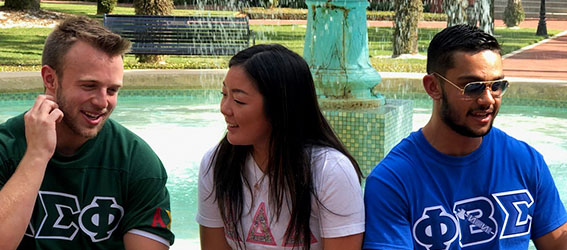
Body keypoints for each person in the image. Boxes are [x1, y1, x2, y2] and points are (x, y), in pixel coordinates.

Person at [362, 24, 567, 249]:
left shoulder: (525, 162)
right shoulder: (392, 182)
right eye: (472, 87)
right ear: (433, 87)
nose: (488, 100)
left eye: (496, 86)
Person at [0, 16, 174, 249]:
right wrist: (37, 155)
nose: (103, 102)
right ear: (50, 79)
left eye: (112, 90)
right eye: (89, 86)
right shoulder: (6, 148)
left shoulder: (136, 162)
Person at [196, 44, 365, 250]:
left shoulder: (330, 171)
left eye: (239, 100)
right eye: (224, 94)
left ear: (280, 107)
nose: (225, 108)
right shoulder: (216, 164)